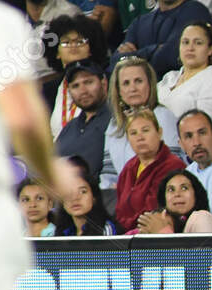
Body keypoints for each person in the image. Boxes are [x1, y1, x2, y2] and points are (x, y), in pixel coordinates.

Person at [102, 55, 177, 192]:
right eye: (126, 83)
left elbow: (173, 166)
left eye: (138, 81)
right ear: (118, 90)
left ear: (150, 84)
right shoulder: (114, 125)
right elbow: (108, 175)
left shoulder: (163, 116)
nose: (133, 88)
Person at [113, 107, 184, 231]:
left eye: (145, 130)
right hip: (126, 233)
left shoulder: (173, 166)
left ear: (159, 132)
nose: (140, 137)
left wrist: (125, 227)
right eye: (133, 133)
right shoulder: (129, 167)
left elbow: (152, 212)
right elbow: (119, 210)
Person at [159, 21, 212, 129]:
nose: (190, 48)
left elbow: (207, 127)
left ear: (210, 49)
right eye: (185, 42)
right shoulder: (169, 77)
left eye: (198, 43)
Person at [51, 58, 110, 180]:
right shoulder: (69, 127)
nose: (83, 91)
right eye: (75, 86)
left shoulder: (116, 120)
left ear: (104, 83)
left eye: (88, 82)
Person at [132, 169, 212, 235]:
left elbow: (205, 254)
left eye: (184, 188)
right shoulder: (161, 220)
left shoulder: (202, 217)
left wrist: (162, 232)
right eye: (171, 190)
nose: (177, 194)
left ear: (196, 194)